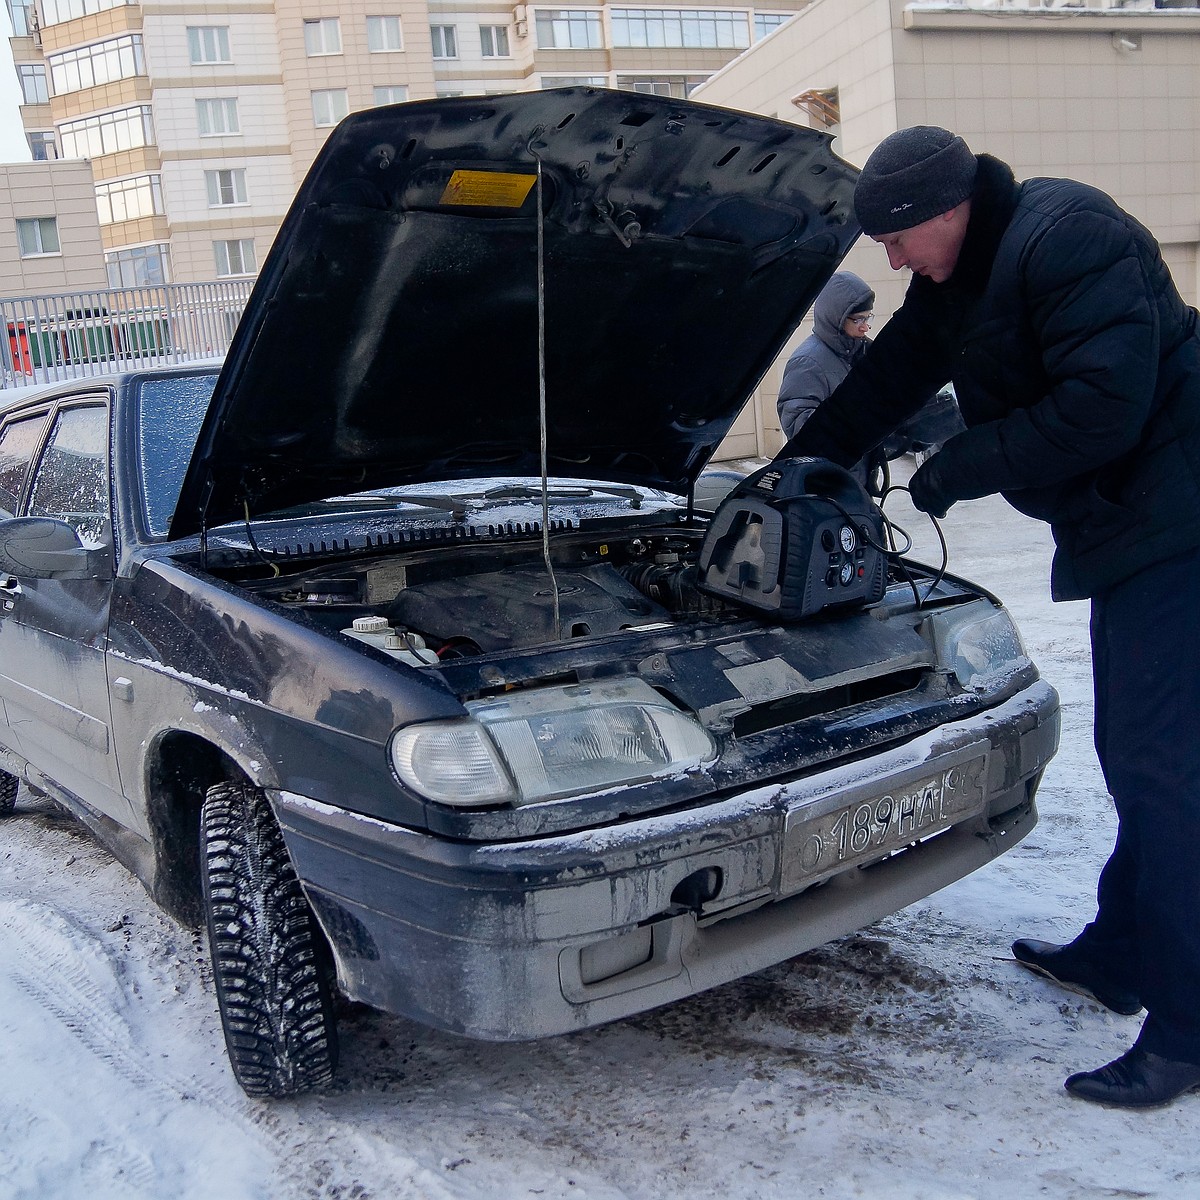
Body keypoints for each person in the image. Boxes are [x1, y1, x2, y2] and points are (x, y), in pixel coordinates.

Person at [778, 125, 1200, 1110]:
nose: (888, 261)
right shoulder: (963, 276)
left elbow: (1105, 407)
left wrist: (961, 466)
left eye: (895, 238)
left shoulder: (1070, 236)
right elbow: (885, 383)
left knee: (1161, 768)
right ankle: (1120, 956)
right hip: (1138, 523)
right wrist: (801, 471)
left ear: (947, 209)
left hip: (1180, 521)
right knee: (1153, 757)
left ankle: (1185, 1026)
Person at [777, 271, 876, 456]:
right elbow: (799, 426)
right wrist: (860, 423)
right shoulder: (808, 362)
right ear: (836, 317)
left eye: (868, 318)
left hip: (857, 476)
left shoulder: (864, 352)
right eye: (858, 320)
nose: (865, 327)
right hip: (828, 477)